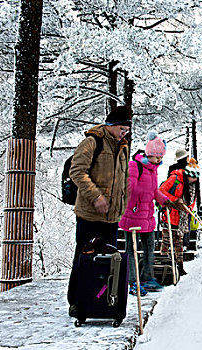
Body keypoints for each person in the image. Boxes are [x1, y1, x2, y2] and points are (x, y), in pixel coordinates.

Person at [67, 105, 131, 316]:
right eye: (122, 128)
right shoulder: (92, 142)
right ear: (111, 125)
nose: (125, 132)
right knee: (85, 258)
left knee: (108, 261)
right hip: (90, 215)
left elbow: (123, 180)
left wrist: (123, 204)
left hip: (111, 217)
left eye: (127, 129)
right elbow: (77, 171)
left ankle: (103, 301)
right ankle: (77, 301)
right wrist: (95, 196)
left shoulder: (122, 147)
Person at [119, 131, 178, 295]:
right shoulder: (134, 165)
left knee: (150, 247)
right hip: (132, 215)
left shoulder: (153, 170)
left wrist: (165, 200)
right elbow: (130, 188)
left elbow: (153, 191)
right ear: (149, 154)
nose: (159, 161)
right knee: (132, 249)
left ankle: (146, 277)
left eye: (161, 158)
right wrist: (146, 193)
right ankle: (132, 281)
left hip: (147, 217)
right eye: (156, 157)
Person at [159, 158, 200, 276]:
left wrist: (189, 210)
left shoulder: (192, 185)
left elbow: (192, 201)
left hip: (182, 218)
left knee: (179, 243)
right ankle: (164, 265)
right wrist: (175, 200)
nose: (195, 180)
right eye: (193, 177)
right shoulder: (175, 178)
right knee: (166, 241)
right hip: (169, 214)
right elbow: (161, 191)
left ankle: (180, 266)